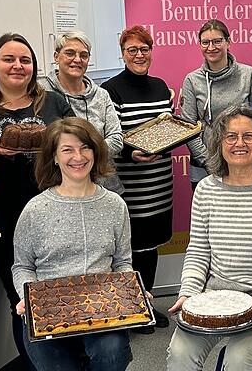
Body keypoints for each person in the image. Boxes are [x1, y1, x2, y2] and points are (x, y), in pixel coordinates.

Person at [166, 105, 252, 371]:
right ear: (219, 143)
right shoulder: (206, 188)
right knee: (180, 353)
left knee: (240, 361)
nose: (239, 143)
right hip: (216, 296)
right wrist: (189, 294)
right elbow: (198, 252)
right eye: (230, 137)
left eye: (248, 136)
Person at [0, 32, 74, 369]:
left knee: (61, 293)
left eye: (25, 60)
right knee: (24, 300)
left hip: (58, 212)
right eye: (9, 59)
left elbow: (75, 147)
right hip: (5, 217)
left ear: (34, 67)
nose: (18, 66)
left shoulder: (53, 103)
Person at [12, 117, 133, 371]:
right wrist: (27, 295)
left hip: (102, 308)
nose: (78, 157)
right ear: (54, 157)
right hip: (48, 310)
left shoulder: (114, 206)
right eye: (67, 149)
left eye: (84, 147)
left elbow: (122, 262)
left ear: (95, 151)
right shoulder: (35, 210)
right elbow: (21, 266)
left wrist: (130, 291)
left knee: (112, 354)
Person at [101, 26, 173, 333]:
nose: (139, 55)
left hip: (160, 182)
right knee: (131, 249)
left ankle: (146, 304)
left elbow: (168, 126)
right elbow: (113, 138)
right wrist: (132, 155)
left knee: (152, 246)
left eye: (144, 49)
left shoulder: (160, 86)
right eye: (132, 50)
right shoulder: (110, 90)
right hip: (131, 185)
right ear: (123, 54)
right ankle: (132, 309)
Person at [180, 19, 252, 189]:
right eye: (205, 42)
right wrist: (210, 162)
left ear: (228, 42)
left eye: (217, 41)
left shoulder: (248, 74)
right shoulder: (192, 80)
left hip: (242, 164)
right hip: (204, 167)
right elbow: (188, 128)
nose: (211, 47)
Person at [41, 30, 124, 194]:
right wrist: (93, 150)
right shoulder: (41, 94)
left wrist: (82, 155)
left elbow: (116, 139)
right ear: (56, 56)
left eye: (84, 55)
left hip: (106, 186)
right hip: (59, 189)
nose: (77, 60)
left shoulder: (101, 95)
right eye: (70, 53)